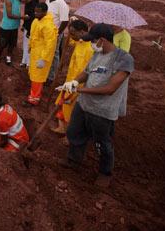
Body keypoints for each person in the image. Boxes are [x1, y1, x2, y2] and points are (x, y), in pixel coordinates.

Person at [57, 23, 134, 188]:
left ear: (102, 40)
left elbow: (110, 89)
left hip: (103, 111)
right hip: (84, 104)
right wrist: (74, 81)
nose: (91, 43)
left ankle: (105, 173)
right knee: (74, 132)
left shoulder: (123, 59)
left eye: (93, 40)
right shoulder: (97, 54)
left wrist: (80, 89)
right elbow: (87, 71)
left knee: (102, 143)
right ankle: (73, 160)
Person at [51, 19, 94, 134]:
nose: (71, 35)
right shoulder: (79, 42)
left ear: (82, 32)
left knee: (70, 110)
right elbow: (69, 42)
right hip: (69, 81)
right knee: (60, 105)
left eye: (73, 33)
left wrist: (75, 87)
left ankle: (69, 135)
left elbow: (84, 73)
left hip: (76, 85)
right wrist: (71, 25)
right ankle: (62, 128)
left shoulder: (89, 50)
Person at [24, 3, 58, 106]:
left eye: (38, 12)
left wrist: (43, 59)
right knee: (34, 75)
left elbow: (50, 44)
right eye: (35, 11)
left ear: (44, 12)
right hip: (35, 53)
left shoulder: (48, 26)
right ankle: (34, 94)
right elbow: (33, 36)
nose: (36, 13)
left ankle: (34, 99)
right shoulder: (36, 21)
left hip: (41, 55)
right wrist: (30, 47)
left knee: (37, 78)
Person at [45, 0, 69, 82]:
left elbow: (65, 21)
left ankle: (52, 77)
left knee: (54, 54)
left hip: (55, 33)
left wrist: (58, 33)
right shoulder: (48, 0)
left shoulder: (62, 4)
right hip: (46, 31)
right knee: (47, 52)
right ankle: (46, 72)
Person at [0, 0, 26, 66]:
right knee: (2, 44)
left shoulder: (20, 0)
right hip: (6, 27)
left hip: (14, 27)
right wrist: (22, 17)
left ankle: (8, 58)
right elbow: (9, 15)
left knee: (12, 44)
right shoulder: (9, 0)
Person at [20, 0, 39, 68]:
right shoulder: (27, 3)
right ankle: (24, 61)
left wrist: (21, 17)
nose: (21, 0)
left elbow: (32, 18)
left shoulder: (34, 4)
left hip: (32, 28)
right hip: (27, 27)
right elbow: (26, 16)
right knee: (25, 45)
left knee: (30, 45)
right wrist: (24, 25)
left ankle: (29, 63)